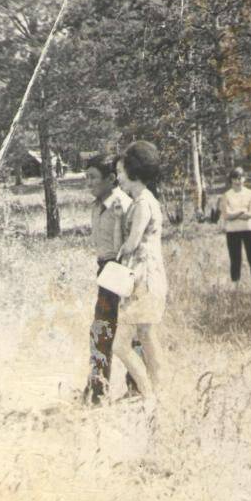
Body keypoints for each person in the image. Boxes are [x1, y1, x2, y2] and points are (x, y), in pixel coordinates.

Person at [111, 141, 168, 399]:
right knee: (146, 335)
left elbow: (132, 243)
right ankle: (157, 390)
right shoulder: (143, 200)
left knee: (119, 342)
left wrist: (115, 263)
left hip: (143, 279)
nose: (118, 178)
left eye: (121, 172)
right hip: (147, 277)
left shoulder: (143, 203)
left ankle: (148, 390)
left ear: (133, 172)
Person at [81, 154, 139, 405]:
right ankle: (98, 390)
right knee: (101, 331)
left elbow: (132, 244)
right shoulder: (96, 205)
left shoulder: (124, 204)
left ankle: (135, 388)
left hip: (123, 270)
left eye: (93, 177)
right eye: (86, 178)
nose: (88, 183)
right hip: (105, 270)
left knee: (127, 331)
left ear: (111, 179)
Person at [220, 167, 251, 291]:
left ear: (244, 178)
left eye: (240, 178)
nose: (238, 181)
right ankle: (235, 284)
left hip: (248, 229)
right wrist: (241, 212)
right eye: (235, 178)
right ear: (231, 180)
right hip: (232, 231)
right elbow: (226, 215)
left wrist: (235, 214)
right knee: (235, 258)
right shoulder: (226, 195)